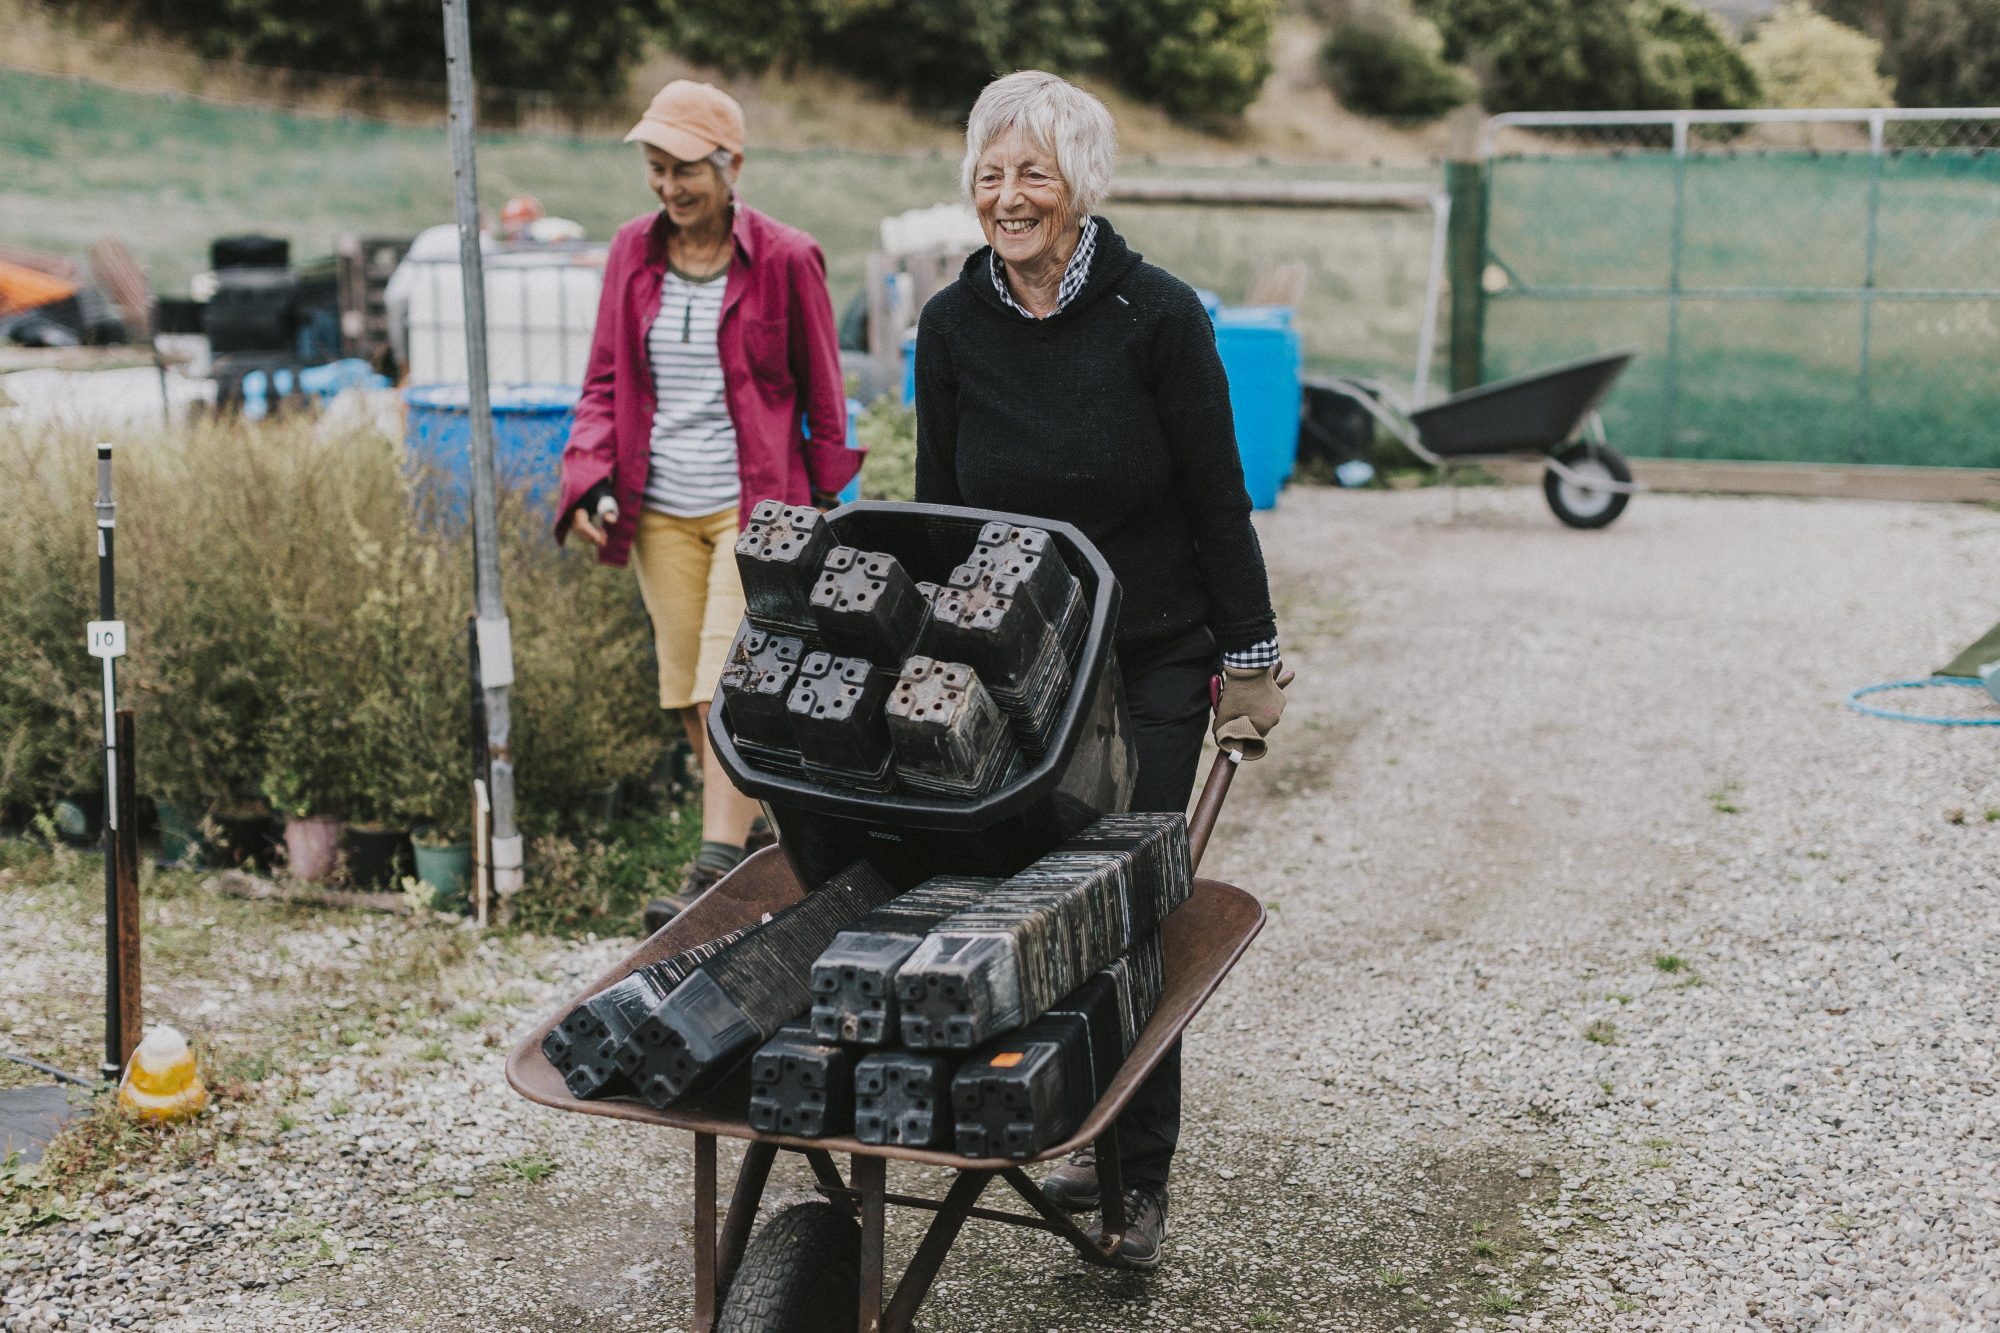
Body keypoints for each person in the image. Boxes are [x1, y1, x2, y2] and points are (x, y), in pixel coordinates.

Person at [913, 70, 1289, 1271]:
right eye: (989, 173)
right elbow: (935, 511)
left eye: (1032, 173)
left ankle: (1135, 1165)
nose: (1008, 197)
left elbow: (1215, 494)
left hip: (1151, 658)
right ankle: (1044, 1104)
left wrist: (1252, 656)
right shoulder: (950, 324)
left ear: (1080, 185)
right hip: (1022, 668)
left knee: (1127, 905)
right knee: (1015, 894)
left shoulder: (1156, 316)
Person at [556, 80, 861, 932]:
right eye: (655, 169)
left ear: (732, 165)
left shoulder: (788, 258)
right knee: (688, 690)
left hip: (753, 505)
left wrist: (824, 506)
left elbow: (825, 396)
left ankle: (713, 870)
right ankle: (766, 845)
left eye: (684, 169)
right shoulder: (630, 253)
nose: (668, 187)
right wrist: (588, 477)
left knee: (723, 688)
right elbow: (604, 383)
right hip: (658, 507)